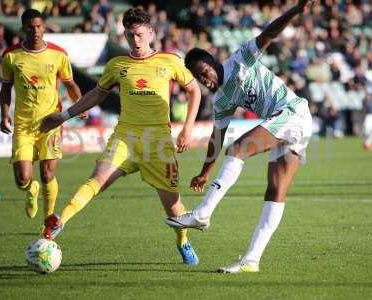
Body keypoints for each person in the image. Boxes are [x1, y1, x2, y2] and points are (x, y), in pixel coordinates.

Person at [40, 8, 202, 265]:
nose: (134, 41)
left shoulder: (169, 61)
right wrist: (63, 116)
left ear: (150, 32)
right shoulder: (117, 65)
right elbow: (96, 94)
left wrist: (188, 128)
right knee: (98, 179)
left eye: (138, 35)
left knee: (174, 209)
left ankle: (182, 241)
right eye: (129, 35)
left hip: (158, 142)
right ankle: (60, 221)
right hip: (125, 136)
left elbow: (195, 91)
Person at [167, 0, 313, 273]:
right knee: (275, 192)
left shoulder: (241, 58)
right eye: (199, 77)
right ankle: (251, 260)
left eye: (204, 71)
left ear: (212, 61)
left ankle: (203, 213)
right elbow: (216, 136)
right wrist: (204, 172)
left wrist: (295, 11)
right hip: (290, 122)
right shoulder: (222, 101)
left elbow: (269, 33)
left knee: (238, 150)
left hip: (293, 112)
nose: (204, 79)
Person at [0, 9, 82, 221]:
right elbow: (6, 88)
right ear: (23, 29)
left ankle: (48, 222)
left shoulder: (58, 54)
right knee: (22, 179)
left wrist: (81, 106)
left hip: (50, 122)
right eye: (30, 27)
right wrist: (4, 114)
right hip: (23, 124)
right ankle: (30, 189)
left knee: (48, 174)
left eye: (38, 26)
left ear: (44, 27)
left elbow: (70, 84)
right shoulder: (11, 56)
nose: (35, 31)